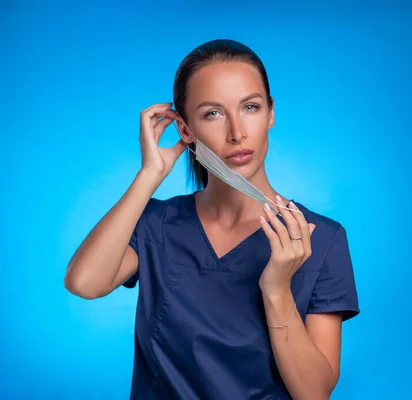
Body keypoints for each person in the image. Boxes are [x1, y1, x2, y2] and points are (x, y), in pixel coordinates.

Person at [64, 39, 360, 400]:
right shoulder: (155, 223)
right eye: (213, 114)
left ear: (270, 113)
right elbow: (84, 283)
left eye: (250, 107)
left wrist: (277, 289)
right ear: (186, 130)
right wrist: (149, 175)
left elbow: (313, 393)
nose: (237, 133)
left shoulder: (322, 238)